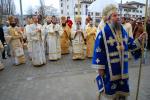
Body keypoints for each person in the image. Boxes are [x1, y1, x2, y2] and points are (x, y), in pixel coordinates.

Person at [92, 4, 145, 100]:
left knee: (122, 92)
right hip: (110, 70)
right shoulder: (103, 33)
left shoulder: (122, 30)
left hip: (123, 69)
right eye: (115, 15)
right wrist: (100, 69)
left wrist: (139, 40)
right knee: (111, 93)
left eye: (118, 15)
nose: (118, 17)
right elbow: (98, 51)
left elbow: (129, 43)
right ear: (108, 19)